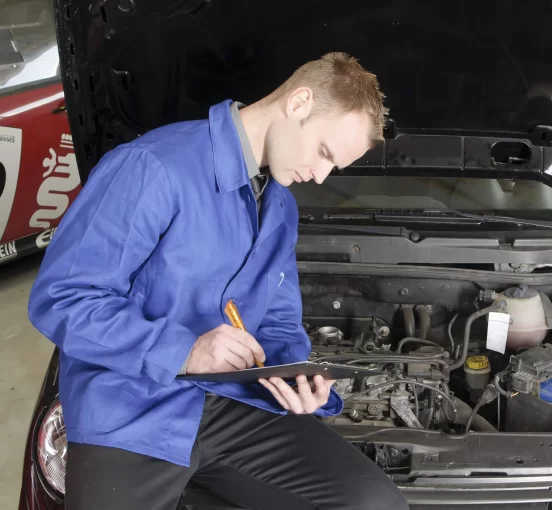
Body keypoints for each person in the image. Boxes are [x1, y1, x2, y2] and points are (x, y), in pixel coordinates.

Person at [28, 53, 407, 510]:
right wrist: (185, 352)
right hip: (129, 406)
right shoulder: (153, 167)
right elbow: (62, 298)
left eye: (335, 168)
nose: (322, 176)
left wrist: (297, 374)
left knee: (374, 503)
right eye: (325, 153)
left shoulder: (280, 209)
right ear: (299, 103)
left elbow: (279, 322)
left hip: (228, 403)